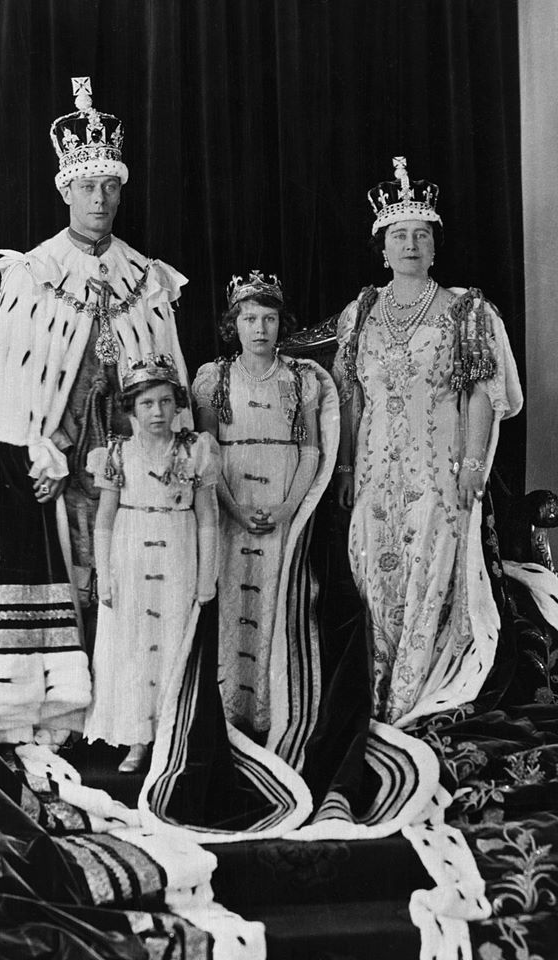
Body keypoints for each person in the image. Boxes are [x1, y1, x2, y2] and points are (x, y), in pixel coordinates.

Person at [0, 77, 190, 748]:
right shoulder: (31, 275)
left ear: (121, 191)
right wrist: (37, 449)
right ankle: (60, 709)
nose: (100, 200)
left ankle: (132, 715)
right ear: (65, 189)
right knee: (73, 572)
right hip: (53, 463)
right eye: (88, 188)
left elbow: (168, 380)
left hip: (130, 458)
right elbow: (5, 391)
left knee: (127, 580)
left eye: (110, 188)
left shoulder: (144, 276)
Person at [331, 156, 523, 727]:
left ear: (435, 247)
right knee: (370, 563)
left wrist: (472, 464)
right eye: (398, 235)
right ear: (382, 247)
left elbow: (482, 394)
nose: (409, 244)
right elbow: (349, 399)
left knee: (428, 565)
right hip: (372, 471)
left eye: (420, 235)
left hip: (438, 468)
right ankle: (375, 685)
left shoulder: (466, 311)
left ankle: (412, 695)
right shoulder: (360, 312)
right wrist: (344, 471)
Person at [192, 271, 328, 740]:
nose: (260, 329)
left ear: (280, 323)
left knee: (277, 600)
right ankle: (231, 710)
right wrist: (231, 507)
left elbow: (310, 449)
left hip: (281, 503)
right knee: (233, 599)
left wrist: (291, 505)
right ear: (235, 324)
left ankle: (274, 712)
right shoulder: (215, 377)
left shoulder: (300, 379)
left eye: (269, 318)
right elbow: (207, 450)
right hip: (232, 506)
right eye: (249, 318)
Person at [83, 354, 218, 772]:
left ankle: (171, 734)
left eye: (164, 402)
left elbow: (207, 518)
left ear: (177, 405)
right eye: (146, 404)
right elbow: (104, 522)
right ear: (131, 409)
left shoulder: (195, 450)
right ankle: (137, 739)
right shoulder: (117, 454)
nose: (157, 412)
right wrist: (104, 576)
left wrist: (206, 577)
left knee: (174, 642)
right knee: (133, 646)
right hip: (130, 552)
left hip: (178, 553)